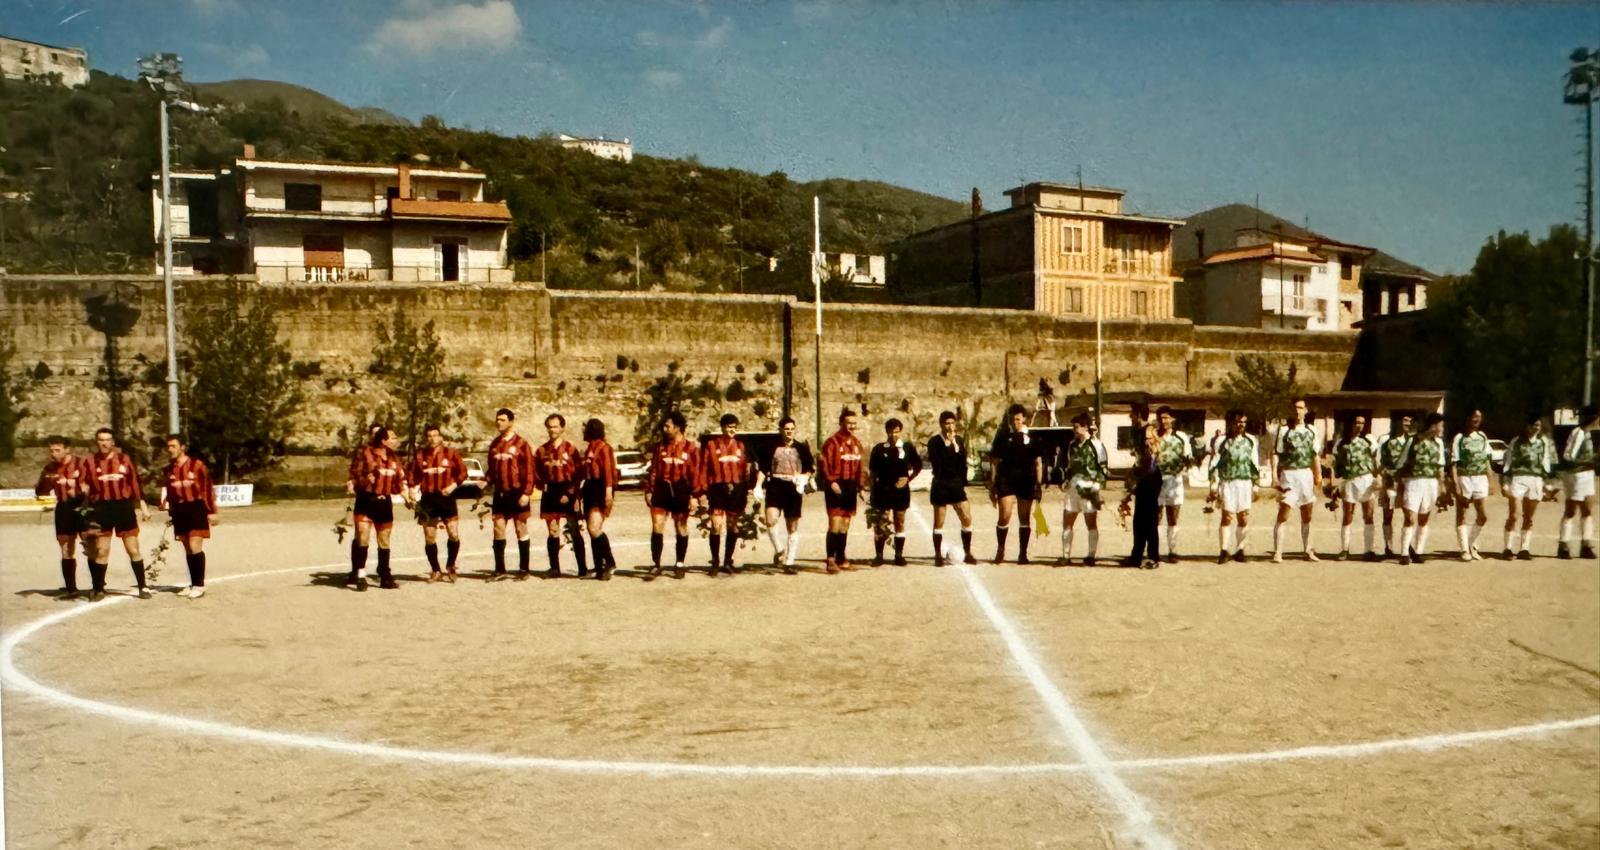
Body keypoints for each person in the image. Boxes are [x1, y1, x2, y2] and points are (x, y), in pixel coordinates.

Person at [82, 428, 151, 600]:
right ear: (96, 442)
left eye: (107, 440)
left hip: (123, 508)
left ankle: (143, 586)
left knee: (133, 549)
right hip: (101, 509)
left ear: (113, 442)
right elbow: (83, 485)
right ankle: (98, 589)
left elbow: (134, 483)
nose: (104, 443)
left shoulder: (124, 459)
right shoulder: (90, 462)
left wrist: (143, 507)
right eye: (101, 440)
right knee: (102, 550)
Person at [644, 411, 704, 579]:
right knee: (657, 525)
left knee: (681, 526)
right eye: (664, 426)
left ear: (678, 427)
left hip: (681, 489)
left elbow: (696, 473)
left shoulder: (691, 448)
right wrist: (649, 490)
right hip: (662, 489)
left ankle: (679, 563)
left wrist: (694, 495)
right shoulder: (660, 447)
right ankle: (656, 564)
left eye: (667, 426)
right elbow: (654, 470)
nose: (664, 429)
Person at [159, 434, 217, 598]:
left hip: (196, 507)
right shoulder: (170, 468)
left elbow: (207, 489)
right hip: (179, 510)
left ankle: (199, 585)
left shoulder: (197, 465)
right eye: (168, 446)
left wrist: (212, 511)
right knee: (186, 546)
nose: (170, 449)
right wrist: (167, 505)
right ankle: (193, 583)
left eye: (173, 446)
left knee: (194, 544)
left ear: (182, 447)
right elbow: (170, 489)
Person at [349, 426, 406, 590]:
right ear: (383, 440)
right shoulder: (366, 453)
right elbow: (355, 475)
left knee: (384, 540)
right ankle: (360, 575)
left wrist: (406, 496)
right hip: (366, 501)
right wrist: (366, 480)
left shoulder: (394, 458)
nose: (397, 441)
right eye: (393, 438)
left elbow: (398, 482)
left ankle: (385, 576)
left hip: (384, 502)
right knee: (363, 537)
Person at [408, 424, 467, 582]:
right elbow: (412, 475)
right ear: (426, 438)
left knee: (453, 534)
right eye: (429, 436)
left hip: (446, 498)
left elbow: (463, 473)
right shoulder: (420, 455)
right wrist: (412, 491)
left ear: (440, 436)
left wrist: (452, 486)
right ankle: (435, 570)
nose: (432, 439)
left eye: (435, 435)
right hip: (428, 499)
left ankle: (451, 565)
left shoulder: (451, 453)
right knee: (429, 536)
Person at [755, 416, 813, 573]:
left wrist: (804, 478)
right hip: (776, 485)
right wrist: (758, 486)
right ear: (781, 430)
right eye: (786, 429)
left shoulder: (801, 448)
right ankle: (779, 550)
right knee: (770, 519)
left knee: (792, 525)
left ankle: (790, 561)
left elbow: (809, 468)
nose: (789, 432)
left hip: (794, 488)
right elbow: (763, 468)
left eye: (792, 429)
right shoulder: (771, 447)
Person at [533, 413, 587, 578]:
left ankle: (582, 568)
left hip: (568, 490)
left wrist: (570, 493)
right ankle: (554, 568)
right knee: (552, 530)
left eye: (555, 426)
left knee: (574, 529)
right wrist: (544, 487)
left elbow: (579, 473)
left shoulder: (571, 449)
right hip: (550, 492)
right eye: (549, 426)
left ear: (562, 428)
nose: (552, 429)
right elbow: (536, 473)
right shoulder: (541, 450)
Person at [988, 404, 1043, 564]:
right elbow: (994, 461)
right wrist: (992, 483)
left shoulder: (1032, 438)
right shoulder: (1003, 436)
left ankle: (1023, 553)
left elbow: (1038, 462)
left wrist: (1038, 484)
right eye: (1012, 419)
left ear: (1024, 419)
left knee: (1024, 517)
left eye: (1018, 419)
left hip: (1026, 480)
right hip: (1006, 479)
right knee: (1004, 515)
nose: (1015, 422)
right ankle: (1001, 549)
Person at [35, 436, 89, 599]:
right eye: (51, 451)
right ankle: (71, 588)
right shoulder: (50, 469)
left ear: (67, 449)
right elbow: (40, 491)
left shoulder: (82, 464)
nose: (53, 454)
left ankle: (98, 585)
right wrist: (44, 486)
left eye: (57, 450)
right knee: (66, 548)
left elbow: (93, 485)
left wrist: (83, 491)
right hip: (64, 509)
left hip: (83, 508)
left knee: (91, 546)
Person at [1269, 398, 1323, 563]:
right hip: (1289, 474)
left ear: (1305, 411)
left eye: (1300, 408)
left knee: (1307, 514)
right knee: (1284, 512)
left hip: (1305, 475)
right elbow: (1276, 453)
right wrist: (1274, 475)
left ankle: (1308, 550)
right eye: (1294, 408)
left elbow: (1314, 455)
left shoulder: (1312, 430)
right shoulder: (1284, 430)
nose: (1297, 411)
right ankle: (1278, 552)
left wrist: (1318, 474)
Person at [486, 408, 536, 579]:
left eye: (502, 419)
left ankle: (524, 569)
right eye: (497, 419)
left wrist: (527, 493)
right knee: (498, 528)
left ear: (511, 422)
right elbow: (492, 470)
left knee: (520, 528)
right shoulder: (494, 444)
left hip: (517, 492)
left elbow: (530, 470)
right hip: (500, 493)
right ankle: (500, 569)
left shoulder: (522, 444)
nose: (499, 422)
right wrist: (485, 482)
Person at [1395, 413, 1449, 565]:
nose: (1442, 428)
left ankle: (1418, 551)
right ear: (1434, 425)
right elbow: (1401, 463)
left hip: (1430, 483)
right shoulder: (1413, 441)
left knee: (1424, 518)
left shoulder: (1438, 443)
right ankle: (1404, 553)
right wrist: (1399, 485)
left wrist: (1442, 486)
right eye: (1441, 425)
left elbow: (1440, 466)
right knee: (1410, 517)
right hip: (1413, 481)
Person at [819, 407, 868, 574]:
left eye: (854, 424)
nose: (852, 426)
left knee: (845, 524)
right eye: (848, 423)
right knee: (835, 523)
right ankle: (830, 559)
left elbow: (861, 466)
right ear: (841, 423)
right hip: (836, 484)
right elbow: (824, 464)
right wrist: (831, 481)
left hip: (850, 486)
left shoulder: (856, 443)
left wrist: (861, 487)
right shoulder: (831, 443)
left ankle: (841, 556)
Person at [703, 413, 753, 575]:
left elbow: (746, 470)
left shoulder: (740, 446)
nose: (732, 430)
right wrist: (702, 491)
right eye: (729, 427)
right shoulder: (712, 445)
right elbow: (704, 468)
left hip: (736, 490)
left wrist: (747, 490)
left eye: (734, 427)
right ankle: (715, 562)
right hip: (717, 489)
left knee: (732, 525)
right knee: (716, 525)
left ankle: (727, 561)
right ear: (722, 427)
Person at [867, 418, 922, 566]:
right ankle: (879, 555)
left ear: (900, 431)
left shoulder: (907, 448)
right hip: (882, 490)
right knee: (881, 522)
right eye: (891, 431)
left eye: (897, 431)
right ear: (886, 432)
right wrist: (871, 491)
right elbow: (872, 472)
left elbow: (918, 466)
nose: (894, 434)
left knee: (900, 521)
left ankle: (899, 555)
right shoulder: (879, 449)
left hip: (900, 491)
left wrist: (908, 479)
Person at [926, 410, 978, 567]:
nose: (949, 426)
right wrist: (947, 446)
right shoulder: (934, 442)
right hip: (941, 483)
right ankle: (937, 555)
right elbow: (937, 463)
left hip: (956, 484)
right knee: (939, 521)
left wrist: (963, 483)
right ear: (941, 425)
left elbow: (962, 463)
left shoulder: (960, 441)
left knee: (966, 517)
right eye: (946, 423)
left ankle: (967, 552)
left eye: (952, 423)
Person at [1208, 410, 1261, 564]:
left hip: (1244, 482)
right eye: (1238, 422)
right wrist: (1213, 484)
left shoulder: (1251, 440)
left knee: (1243, 516)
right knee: (1227, 516)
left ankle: (1240, 549)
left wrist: (1256, 485)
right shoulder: (1221, 441)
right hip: (1228, 482)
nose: (1241, 425)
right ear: (1231, 422)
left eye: (1243, 422)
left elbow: (1254, 464)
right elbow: (1214, 464)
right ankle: (1224, 550)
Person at [1057, 413, 1109, 566]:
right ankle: (1066, 555)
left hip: (1089, 487)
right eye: (1073, 426)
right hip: (1074, 487)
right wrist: (1065, 481)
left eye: (1077, 426)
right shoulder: (1072, 445)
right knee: (1067, 520)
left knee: (1090, 522)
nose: (1074, 429)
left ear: (1085, 427)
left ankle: (1091, 555)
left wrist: (1096, 487)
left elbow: (1104, 468)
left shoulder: (1096, 445)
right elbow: (1069, 466)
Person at [1500, 415, 1555, 561]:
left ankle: (1524, 548)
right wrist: (1505, 481)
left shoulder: (1543, 442)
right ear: (1527, 426)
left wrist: (1547, 483)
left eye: (1539, 425)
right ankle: (1508, 548)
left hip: (1536, 480)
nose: (1536, 428)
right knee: (1514, 515)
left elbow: (1546, 463)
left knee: (1529, 517)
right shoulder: (1516, 441)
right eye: (1534, 425)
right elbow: (1508, 462)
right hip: (1518, 479)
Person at [1328, 415, 1379, 561]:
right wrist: (1334, 484)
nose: (1359, 426)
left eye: (1362, 423)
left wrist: (1378, 478)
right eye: (1357, 422)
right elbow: (1335, 464)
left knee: (1368, 515)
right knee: (1348, 515)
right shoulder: (1341, 442)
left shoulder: (1369, 440)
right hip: (1350, 480)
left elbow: (1376, 461)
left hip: (1366, 479)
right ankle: (1345, 549)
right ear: (1351, 424)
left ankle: (1369, 550)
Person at [1448, 408, 1493, 561]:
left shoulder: (1482, 436)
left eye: (1479, 417)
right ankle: (1463, 549)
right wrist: (1456, 485)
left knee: (1483, 516)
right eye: (1474, 416)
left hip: (1480, 478)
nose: (1476, 419)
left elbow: (1487, 460)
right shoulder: (1459, 438)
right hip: (1464, 477)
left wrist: (1491, 481)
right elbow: (1453, 464)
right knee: (1462, 514)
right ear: (1467, 418)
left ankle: (1471, 544)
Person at [1153, 407, 1194, 564]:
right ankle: (1154, 550)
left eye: (1166, 418)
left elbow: (1188, 457)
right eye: (1161, 418)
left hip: (1174, 480)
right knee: (1156, 516)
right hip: (1157, 480)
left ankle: (1173, 550)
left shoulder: (1181, 437)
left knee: (1173, 517)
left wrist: (1184, 469)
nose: (1164, 421)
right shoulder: (1155, 436)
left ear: (1172, 419)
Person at [580, 418, 620, 580]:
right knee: (591, 530)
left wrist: (609, 492)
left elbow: (609, 471)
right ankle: (599, 566)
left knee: (595, 527)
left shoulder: (605, 448)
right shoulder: (590, 447)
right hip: (590, 487)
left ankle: (609, 563)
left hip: (601, 487)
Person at [1557, 404, 1598, 560]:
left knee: (1588, 509)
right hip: (1576, 475)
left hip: (1587, 474)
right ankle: (1564, 545)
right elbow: (1569, 455)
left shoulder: (1589, 434)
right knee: (1571, 510)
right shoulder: (1578, 433)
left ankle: (1586, 545)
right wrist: (1590, 460)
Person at [1121, 425, 1162, 568]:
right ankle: (1136, 556)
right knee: (1138, 524)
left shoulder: (1160, 454)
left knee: (1151, 525)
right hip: (1142, 490)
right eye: (1145, 438)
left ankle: (1153, 557)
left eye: (1149, 438)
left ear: (1155, 438)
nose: (1146, 441)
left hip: (1153, 490)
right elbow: (1137, 471)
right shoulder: (1143, 454)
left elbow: (1157, 474)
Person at [1375, 414, 1415, 559]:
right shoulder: (1385, 440)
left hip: (1407, 481)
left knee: (1409, 513)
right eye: (1404, 420)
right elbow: (1379, 461)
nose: (1407, 423)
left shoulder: (1411, 440)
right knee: (1388, 514)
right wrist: (1385, 477)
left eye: (1409, 421)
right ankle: (1388, 546)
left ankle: (1408, 545)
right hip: (1390, 481)